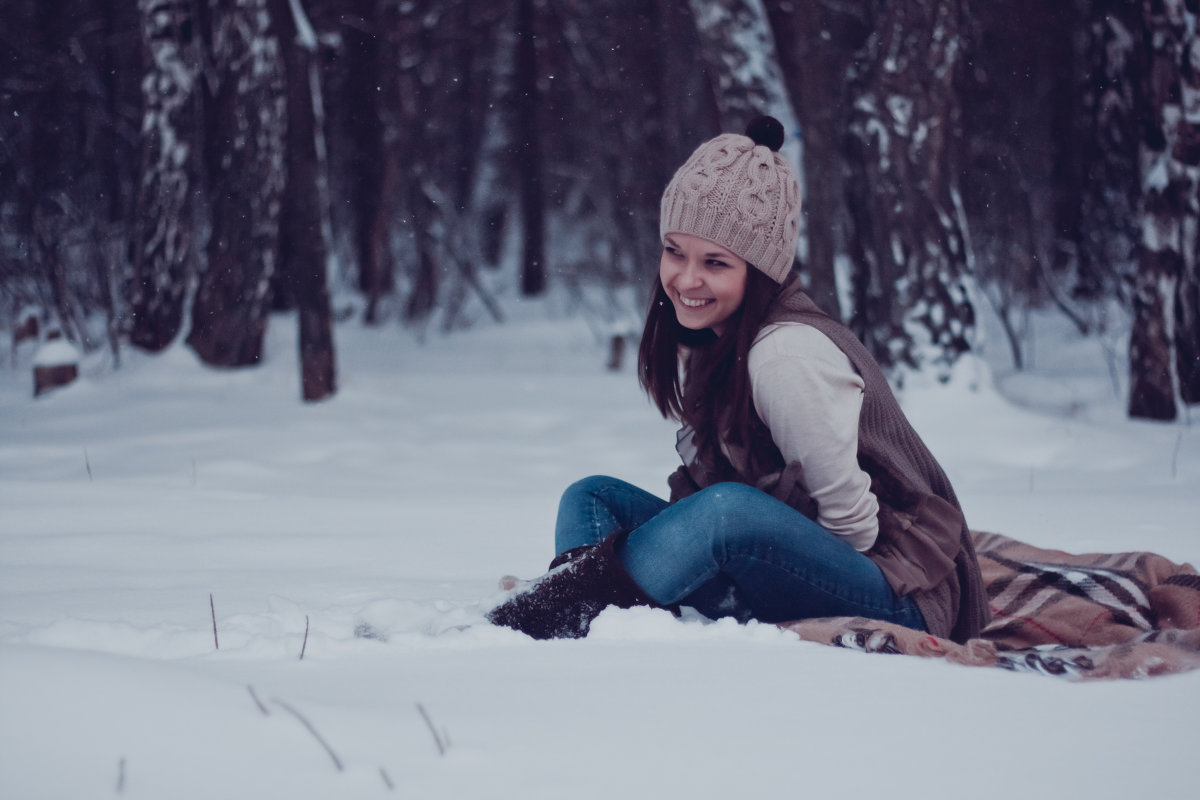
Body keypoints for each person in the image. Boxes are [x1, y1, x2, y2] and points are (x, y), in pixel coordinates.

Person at [488, 116, 989, 643]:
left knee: (728, 512)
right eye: (674, 251)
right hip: (790, 570)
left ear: (758, 271)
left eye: (716, 262)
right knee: (593, 497)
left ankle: (555, 618)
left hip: (895, 594)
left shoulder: (783, 357)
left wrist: (750, 551)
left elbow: (855, 530)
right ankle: (595, 617)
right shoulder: (721, 335)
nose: (685, 279)